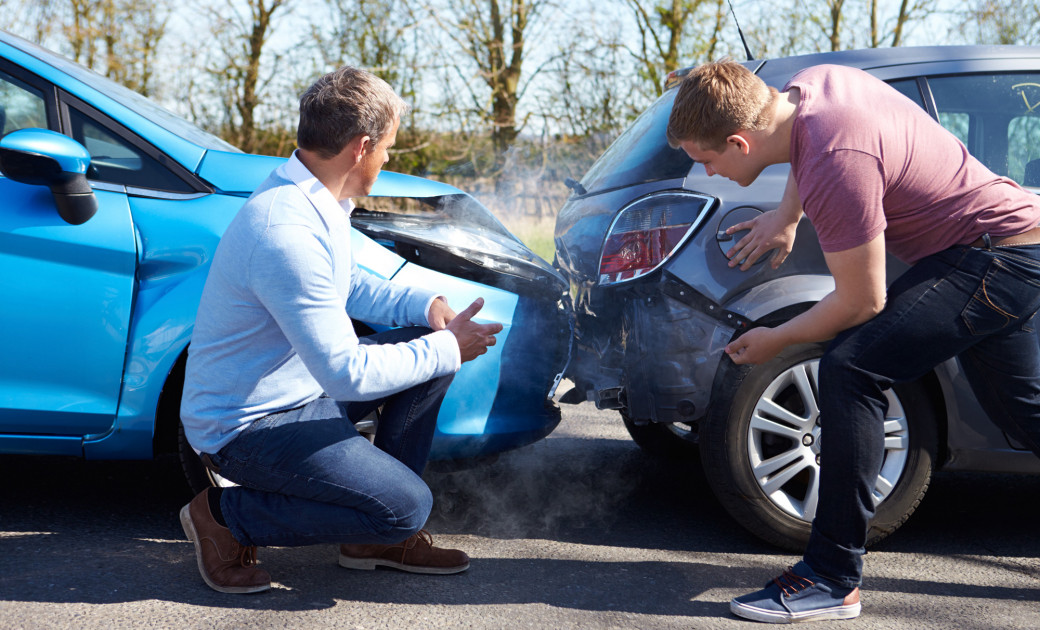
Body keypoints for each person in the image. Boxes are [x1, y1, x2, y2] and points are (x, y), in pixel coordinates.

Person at [667, 59, 1040, 623]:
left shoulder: (837, 158)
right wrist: (788, 215)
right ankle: (831, 574)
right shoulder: (811, 89)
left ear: (740, 142)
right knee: (1025, 413)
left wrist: (778, 340)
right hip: (1012, 244)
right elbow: (804, 144)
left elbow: (862, 301)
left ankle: (831, 576)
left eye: (708, 159)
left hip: (994, 258)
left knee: (851, 369)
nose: (710, 172)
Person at [178, 66, 503, 594]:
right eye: (389, 149)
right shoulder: (284, 231)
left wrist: (428, 306)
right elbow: (347, 374)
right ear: (362, 147)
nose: (388, 159)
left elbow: (347, 283)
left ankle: (371, 538)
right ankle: (224, 516)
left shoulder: (313, 198)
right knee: (407, 507)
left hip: (299, 394)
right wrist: (446, 347)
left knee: (423, 356)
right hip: (247, 427)